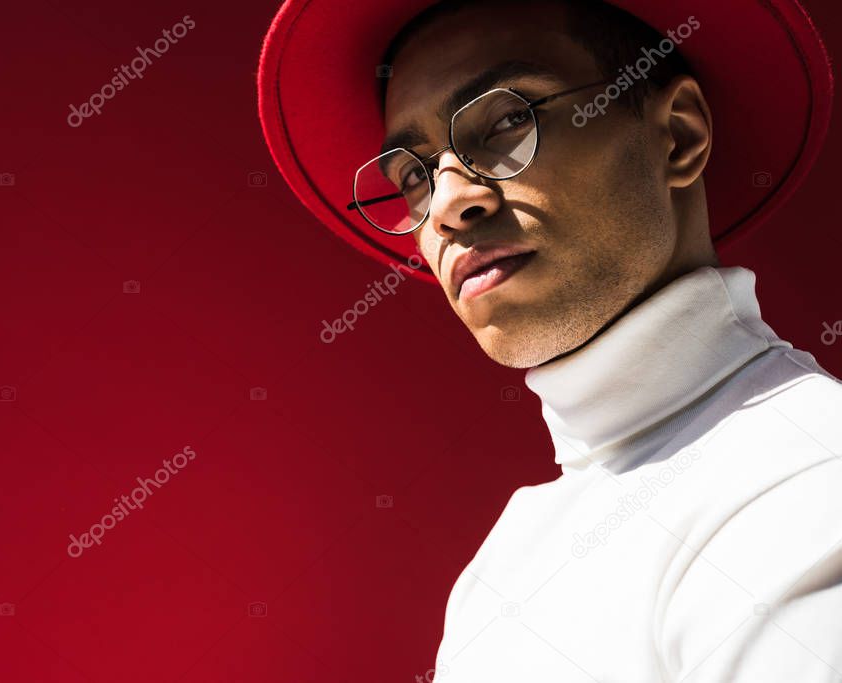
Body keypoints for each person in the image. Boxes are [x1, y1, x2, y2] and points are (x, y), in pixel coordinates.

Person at [258, 0, 841, 680]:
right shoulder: (502, 565)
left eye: (507, 119)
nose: (447, 204)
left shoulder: (807, 479)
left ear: (677, 136)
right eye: (413, 176)